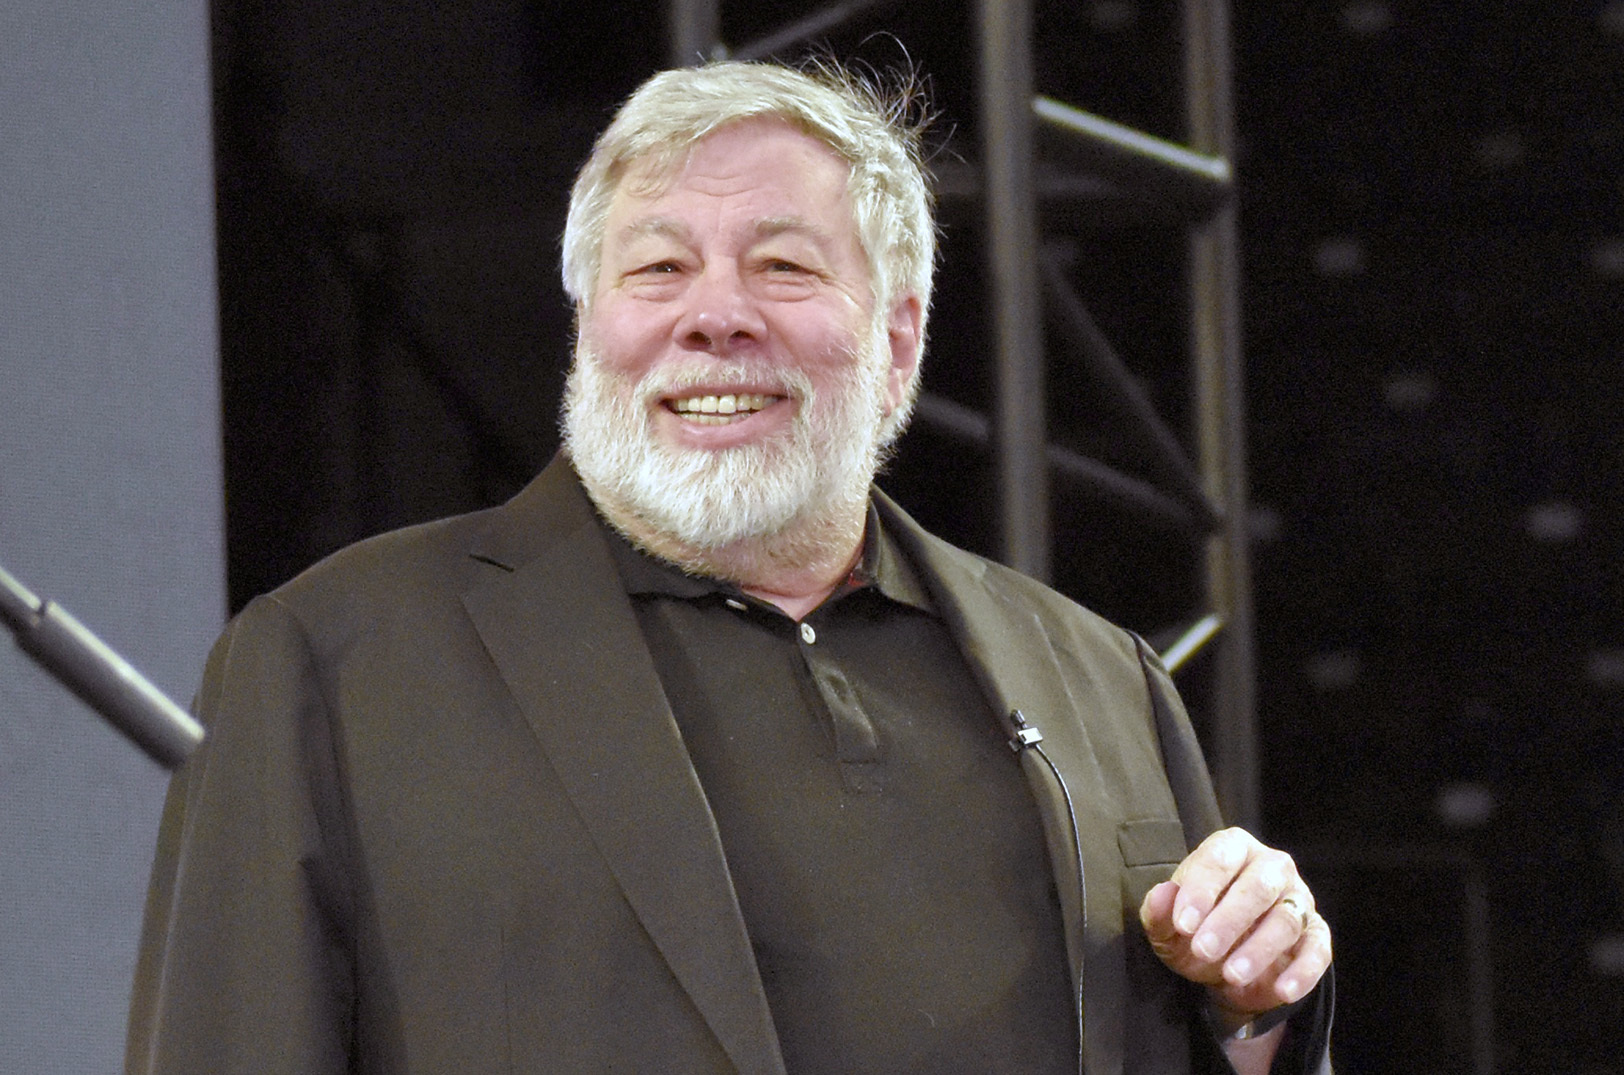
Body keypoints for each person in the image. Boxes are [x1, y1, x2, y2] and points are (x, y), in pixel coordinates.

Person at [126, 60, 1332, 1075]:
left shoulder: (1100, 679)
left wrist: (1258, 1010)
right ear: (588, 318)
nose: (716, 316)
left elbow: (1219, 1039)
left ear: (898, 333)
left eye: (785, 267)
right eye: (657, 268)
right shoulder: (335, 661)